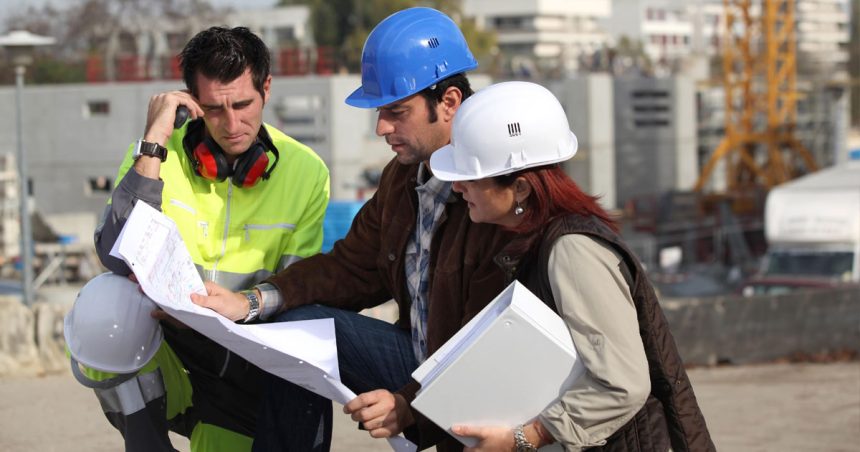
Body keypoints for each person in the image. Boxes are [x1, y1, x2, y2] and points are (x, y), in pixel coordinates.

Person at [191, 7, 511, 451]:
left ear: (450, 102)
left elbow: (494, 342)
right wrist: (253, 301)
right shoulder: (402, 178)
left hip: (484, 380)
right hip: (419, 356)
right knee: (296, 330)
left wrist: (410, 404)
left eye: (396, 111)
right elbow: (349, 268)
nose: (381, 127)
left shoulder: (497, 190)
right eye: (380, 111)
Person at [427, 81, 715, 451]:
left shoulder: (572, 250)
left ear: (521, 188)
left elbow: (622, 384)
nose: (458, 188)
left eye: (470, 177)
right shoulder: (539, 242)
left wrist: (524, 438)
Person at [85, 26, 330, 452]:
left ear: (267, 89)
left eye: (243, 105)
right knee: (103, 303)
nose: (232, 124)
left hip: (240, 362)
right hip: (164, 347)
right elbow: (114, 254)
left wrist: (229, 312)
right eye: (214, 109)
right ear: (192, 101)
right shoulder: (154, 154)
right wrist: (155, 140)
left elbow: (297, 293)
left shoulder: (308, 171)